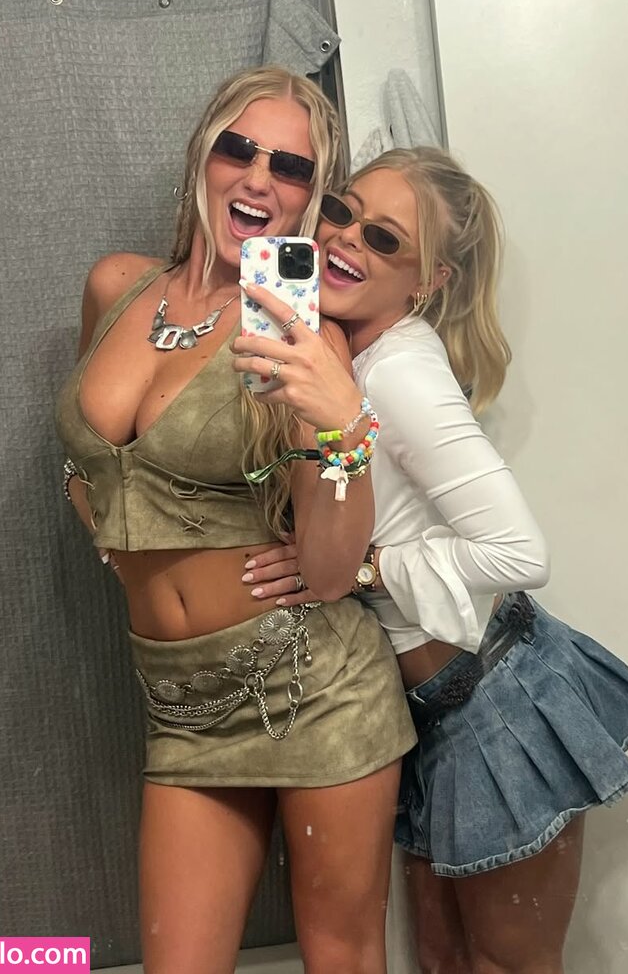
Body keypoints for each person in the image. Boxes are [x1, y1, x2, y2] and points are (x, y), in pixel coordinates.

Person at [235, 146, 628, 974]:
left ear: (427, 282)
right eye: (343, 212)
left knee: (506, 965)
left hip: (495, 697)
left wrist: (363, 570)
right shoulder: (343, 359)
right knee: (441, 961)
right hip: (432, 709)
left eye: (384, 239)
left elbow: (518, 551)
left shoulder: (397, 372)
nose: (346, 238)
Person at [55, 66, 416, 974]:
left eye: (290, 167)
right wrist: (104, 519)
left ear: (307, 196)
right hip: (179, 705)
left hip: (312, 689)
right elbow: (91, 458)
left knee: (340, 958)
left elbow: (328, 572)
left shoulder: (301, 331)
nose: (258, 178)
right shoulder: (116, 287)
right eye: (238, 150)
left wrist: (343, 430)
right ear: (203, 157)